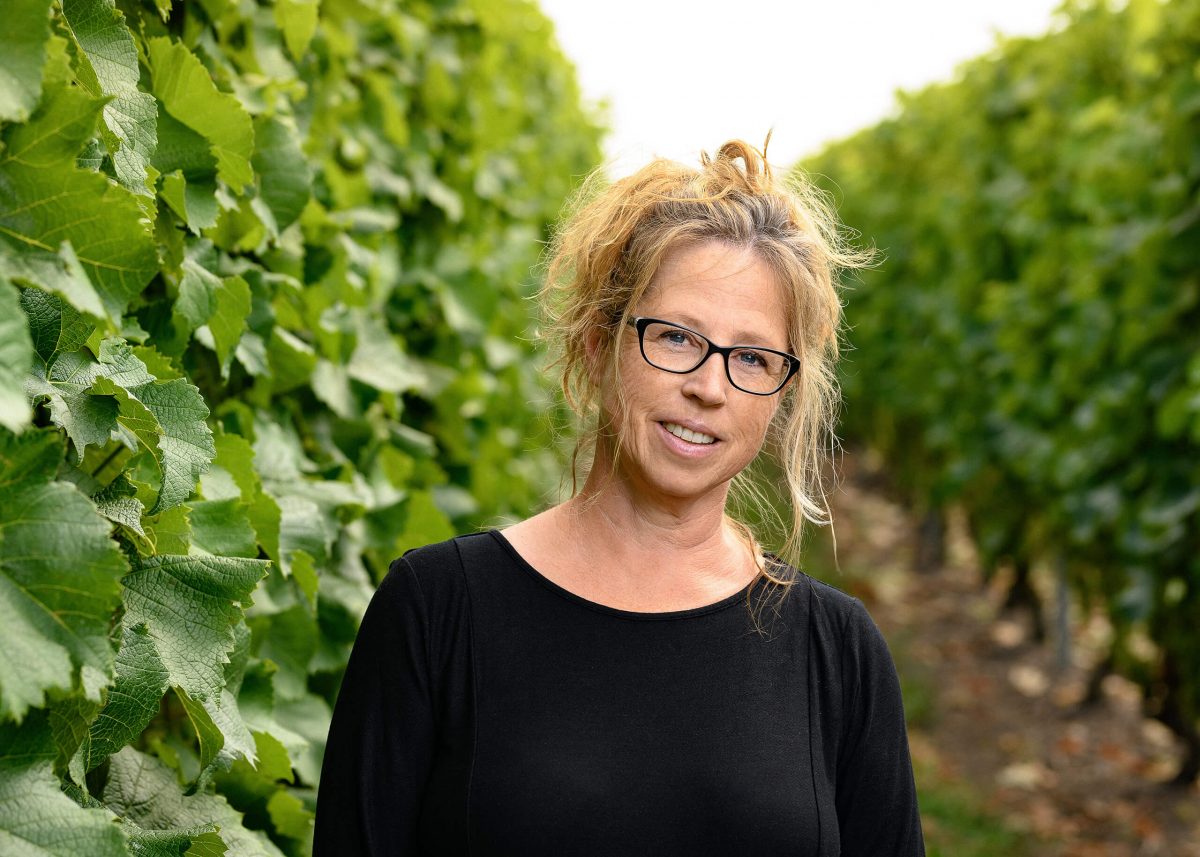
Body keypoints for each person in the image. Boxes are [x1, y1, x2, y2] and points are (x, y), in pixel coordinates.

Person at [314, 139, 925, 855]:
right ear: (599, 344)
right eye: (675, 337)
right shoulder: (436, 610)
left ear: (782, 391)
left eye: (752, 356)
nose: (710, 385)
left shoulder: (839, 652)